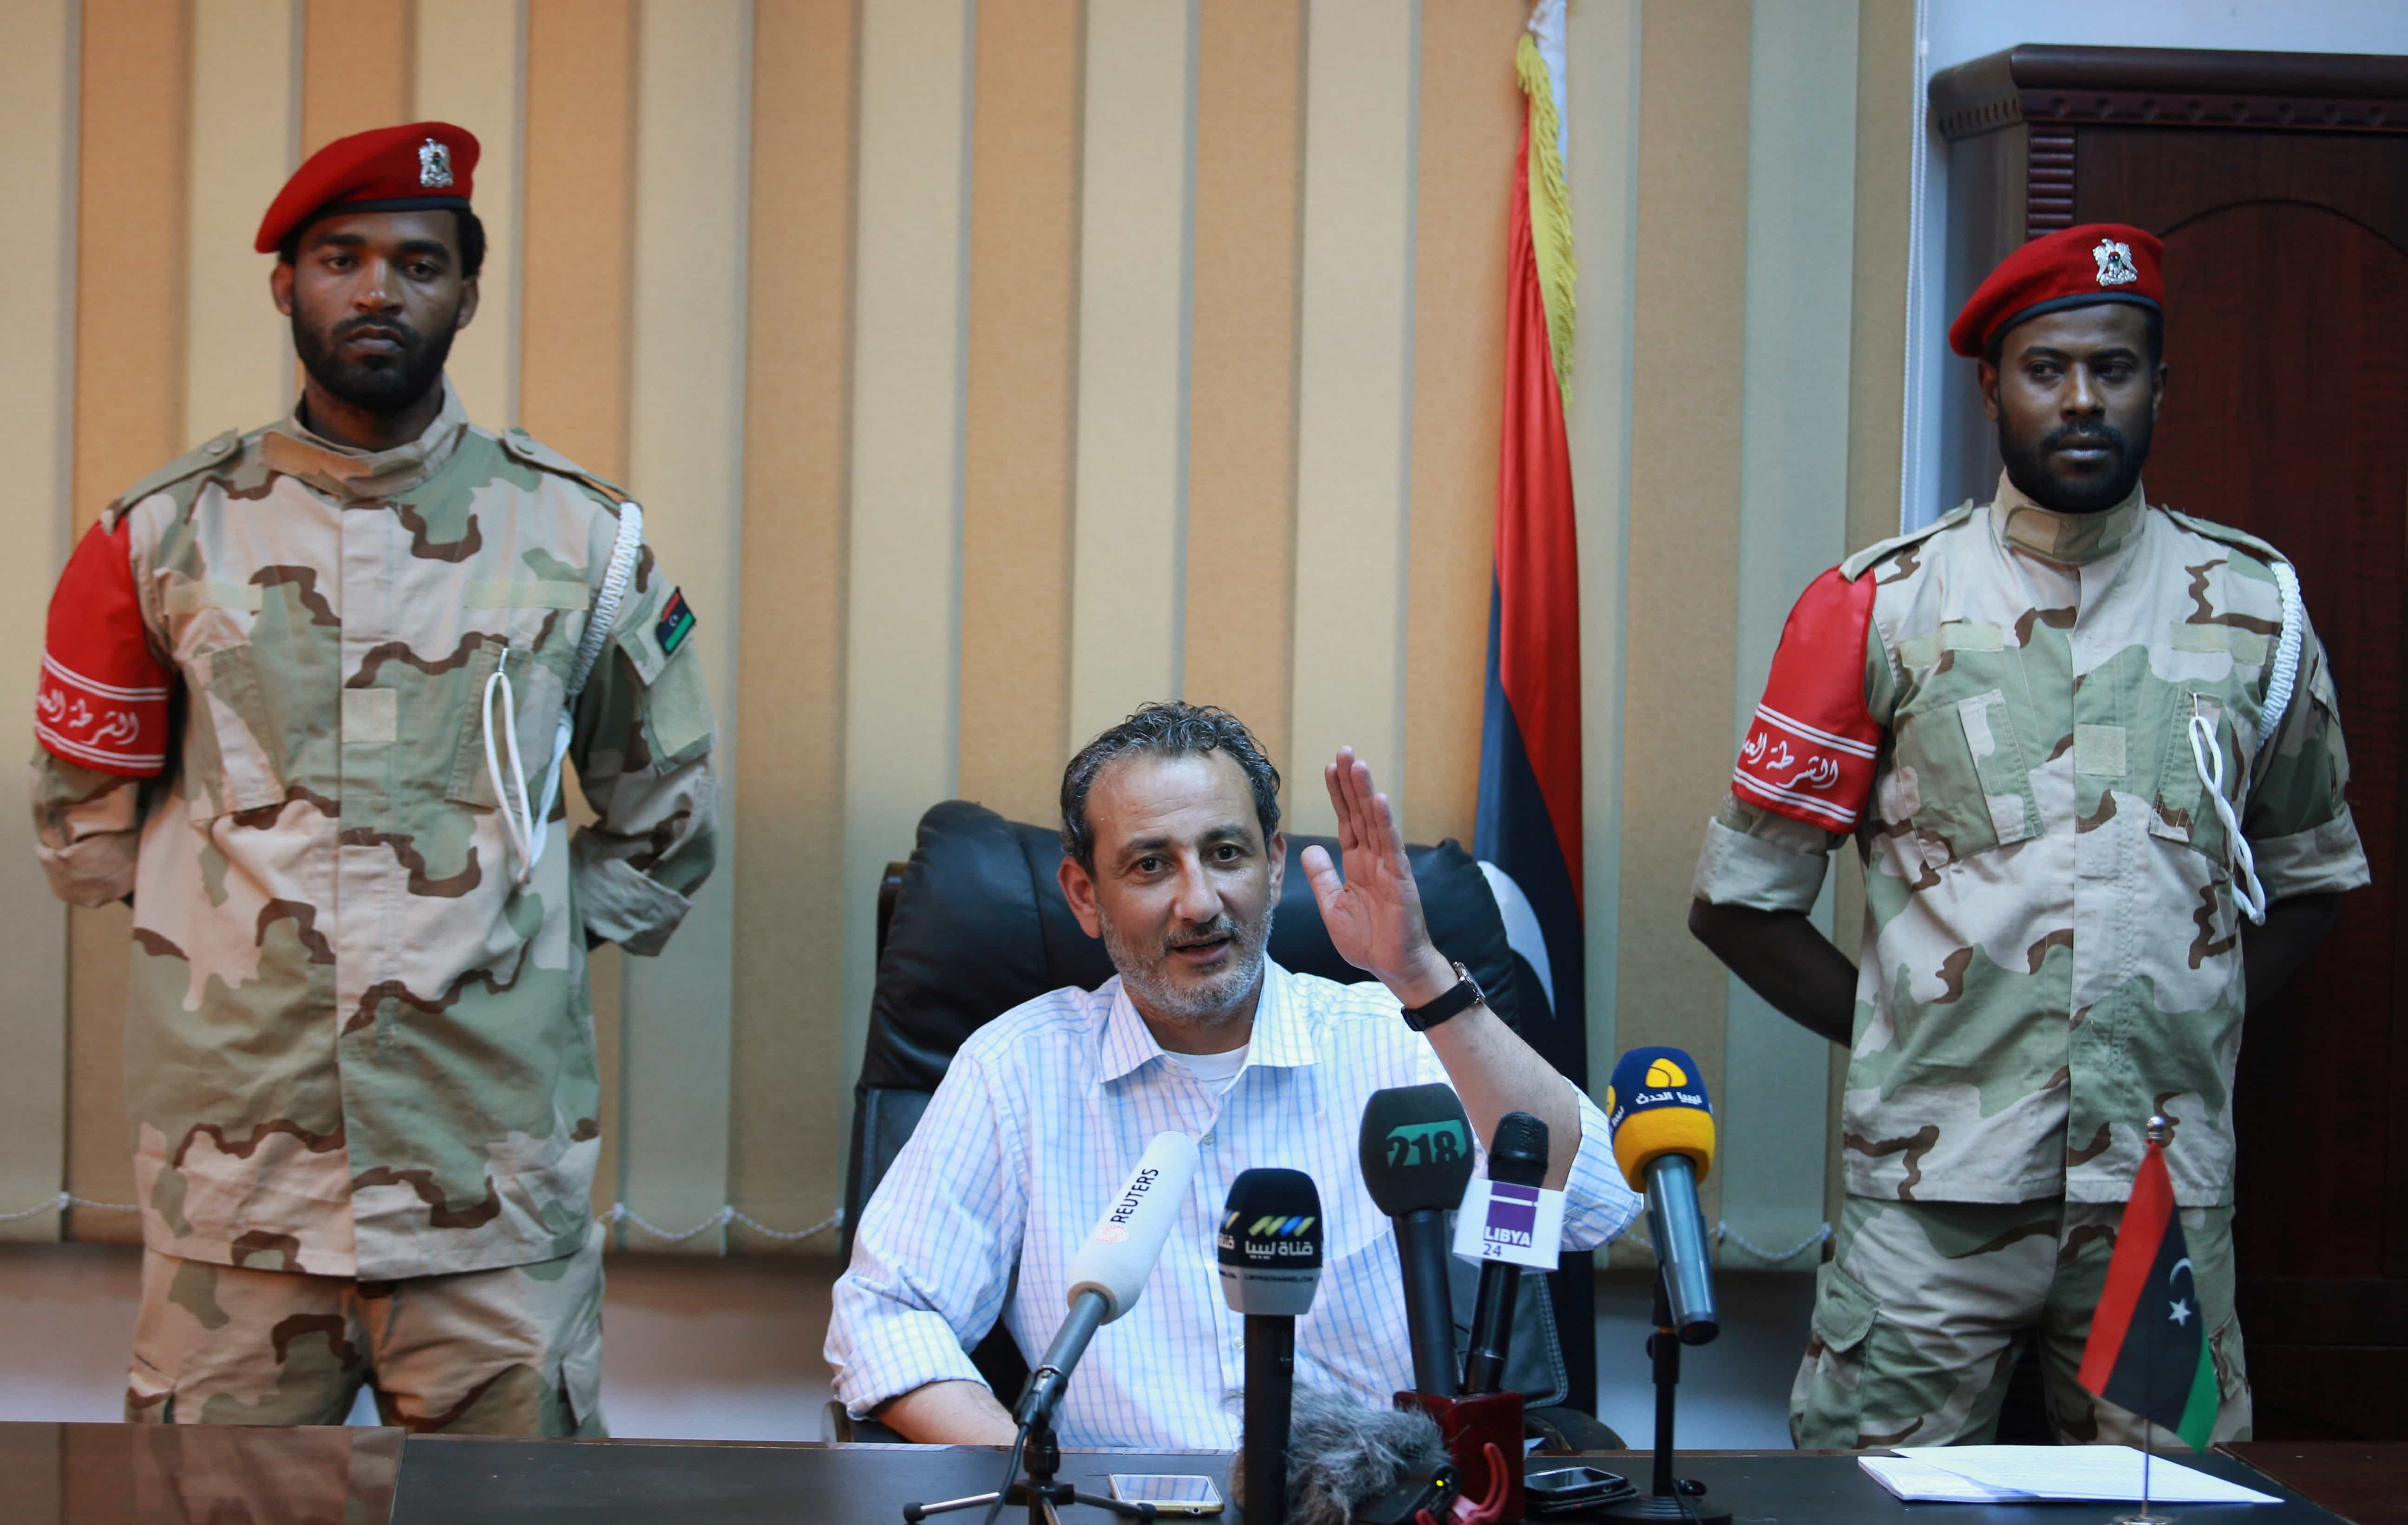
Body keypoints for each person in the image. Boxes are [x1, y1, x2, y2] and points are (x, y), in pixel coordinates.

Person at [30, 122, 718, 1432]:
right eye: (339, 258)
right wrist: (232, 926)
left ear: (467, 289)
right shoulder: (156, 538)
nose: (377, 291)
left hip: (491, 1184)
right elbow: (85, 831)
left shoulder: (583, 539)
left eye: (418, 261)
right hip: (236, 1194)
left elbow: (665, 812)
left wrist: (526, 937)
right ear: (285, 284)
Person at [1688, 223, 2366, 1449]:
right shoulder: (1878, 608)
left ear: (2161, 386)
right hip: (1929, 1210)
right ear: (1994, 385)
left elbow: (2314, 874)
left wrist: (2191, 1012)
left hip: (2161, 1197)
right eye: (2047, 368)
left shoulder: (2257, 609)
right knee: (1863, 1508)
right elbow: (1739, 902)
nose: (2082, 397)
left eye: (2114, 367)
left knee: (2171, 1510)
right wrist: (1911, 1033)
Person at [826, 703, 1639, 1447]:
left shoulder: (1395, 1040)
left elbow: (1591, 1200)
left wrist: (1423, 976)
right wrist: (1030, 1474)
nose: (1200, 902)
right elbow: (887, 1314)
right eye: (1150, 866)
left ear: (1275, 865)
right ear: (1084, 895)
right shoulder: (1017, 1072)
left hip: (1374, 1502)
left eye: (1225, 854)